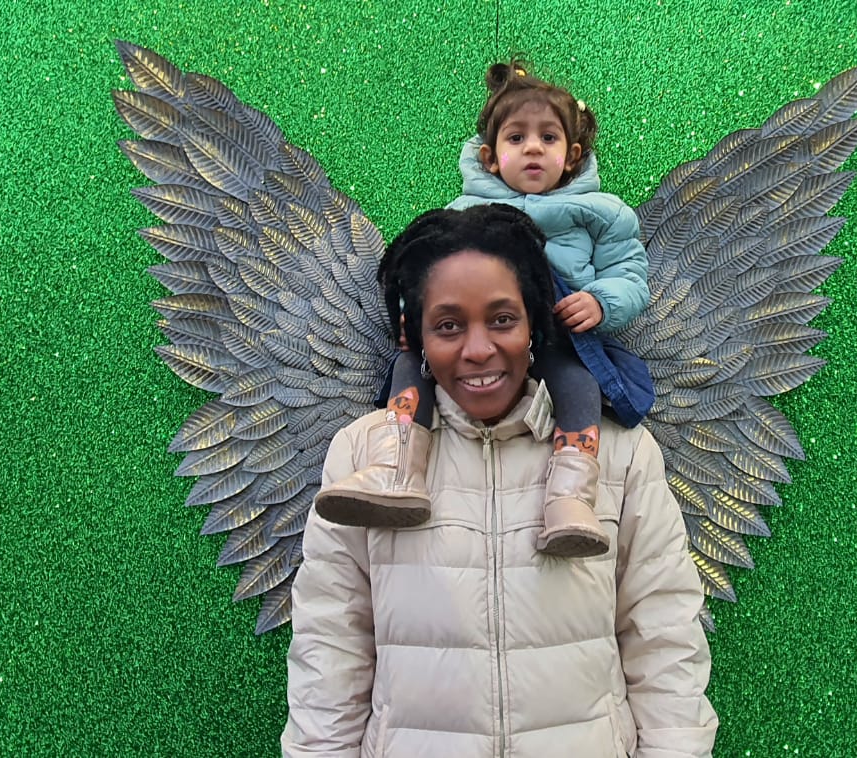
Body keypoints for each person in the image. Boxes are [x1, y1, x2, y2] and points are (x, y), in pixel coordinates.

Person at [282, 205, 716, 757]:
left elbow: (664, 632)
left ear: (534, 322)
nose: (478, 348)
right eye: (448, 325)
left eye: (502, 319)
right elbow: (331, 641)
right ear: (413, 336)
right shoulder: (362, 455)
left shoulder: (621, 453)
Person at [313, 59, 651, 559]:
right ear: (491, 158)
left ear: (572, 154)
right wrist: (412, 318)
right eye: (517, 139)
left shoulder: (602, 211)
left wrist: (602, 302)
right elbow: (424, 274)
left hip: (557, 336)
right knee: (409, 363)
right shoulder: (460, 215)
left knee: (579, 384)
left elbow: (630, 272)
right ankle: (397, 465)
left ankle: (571, 497)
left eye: (548, 138)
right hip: (477, 337)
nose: (533, 148)